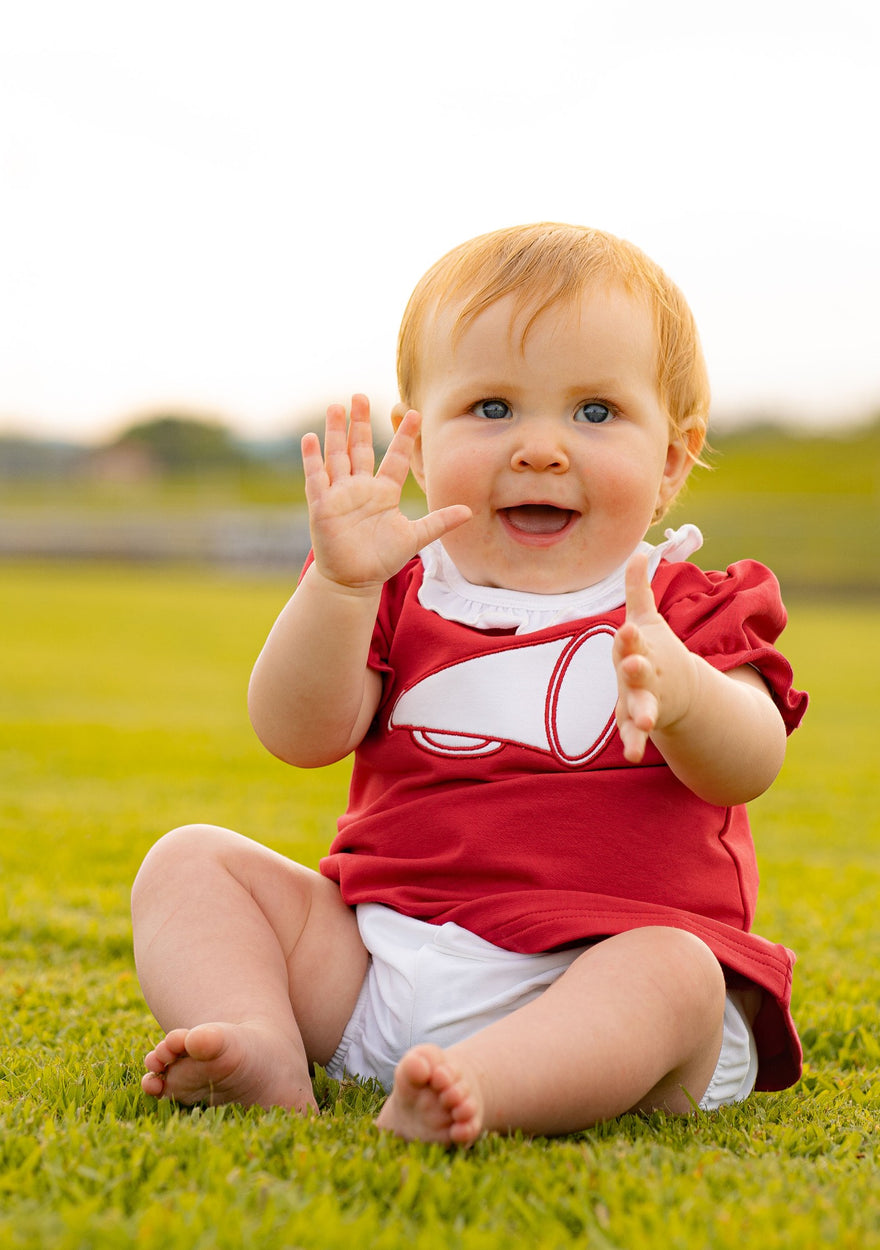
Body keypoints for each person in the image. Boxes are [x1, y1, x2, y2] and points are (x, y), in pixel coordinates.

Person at [132, 222, 808, 1145]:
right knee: (189, 861)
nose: (538, 448)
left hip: (595, 981)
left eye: (595, 413)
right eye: (491, 408)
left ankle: (483, 1084)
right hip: (380, 963)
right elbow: (297, 733)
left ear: (672, 463)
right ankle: (262, 1041)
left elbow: (749, 762)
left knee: (678, 973)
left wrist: (686, 695)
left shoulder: (681, 605)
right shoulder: (395, 584)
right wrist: (338, 584)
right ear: (418, 432)